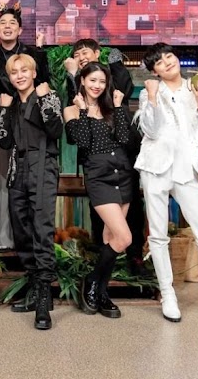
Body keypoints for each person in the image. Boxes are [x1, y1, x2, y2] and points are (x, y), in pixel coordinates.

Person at [133, 42, 198, 323]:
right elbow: (150, 130)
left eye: (169, 56)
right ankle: (168, 295)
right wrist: (152, 98)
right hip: (156, 168)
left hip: (188, 171)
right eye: (159, 62)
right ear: (154, 71)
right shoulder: (149, 92)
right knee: (158, 235)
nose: (167, 62)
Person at [64, 39, 148, 276]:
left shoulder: (112, 75)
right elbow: (77, 123)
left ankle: (133, 259)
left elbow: (123, 92)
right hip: (97, 165)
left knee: (132, 214)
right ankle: (101, 270)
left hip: (123, 159)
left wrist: (115, 64)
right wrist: (73, 76)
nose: (81, 57)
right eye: (77, 54)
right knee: (103, 218)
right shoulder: (78, 86)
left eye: (85, 52)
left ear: (97, 53)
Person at [0, 54, 63, 330]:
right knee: (21, 227)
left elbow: (56, 130)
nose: (20, 75)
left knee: (41, 228)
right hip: (17, 168)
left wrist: (45, 99)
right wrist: (2, 111)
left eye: (25, 70)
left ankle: (44, 299)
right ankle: (35, 288)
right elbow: (3, 141)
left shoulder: (49, 96)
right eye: (14, 72)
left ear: (34, 73)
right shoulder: (11, 104)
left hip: (42, 165)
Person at [64, 62, 132, 319]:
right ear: (82, 80)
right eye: (92, 80)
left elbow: (124, 139)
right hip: (99, 178)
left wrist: (118, 107)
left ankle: (101, 293)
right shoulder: (71, 110)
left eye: (102, 81)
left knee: (110, 238)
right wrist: (83, 111)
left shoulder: (111, 107)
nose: (97, 85)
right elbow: (81, 142)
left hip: (123, 175)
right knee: (124, 238)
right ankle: (92, 281)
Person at [0, 1, 50, 252]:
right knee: (4, 179)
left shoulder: (30, 53)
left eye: (12, 23)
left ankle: (33, 242)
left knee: (31, 181)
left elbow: (43, 81)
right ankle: (4, 238)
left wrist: (40, 50)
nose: (7, 27)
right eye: (2, 23)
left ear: (20, 29)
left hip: (31, 120)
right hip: (5, 116)